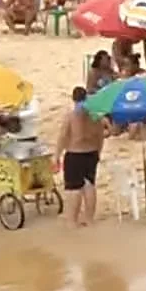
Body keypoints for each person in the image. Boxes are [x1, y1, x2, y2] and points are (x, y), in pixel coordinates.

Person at [54, 86, 104, 228]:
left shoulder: (71, 116)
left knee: (74, 188)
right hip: (92, 152)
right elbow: (100, 136)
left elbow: (63, 136)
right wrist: (98, 152)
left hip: (75, 153)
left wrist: (57, 155)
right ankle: (89, 219)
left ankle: (72, 221)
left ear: (73, 99)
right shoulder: (95, 115)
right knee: (89, 185)